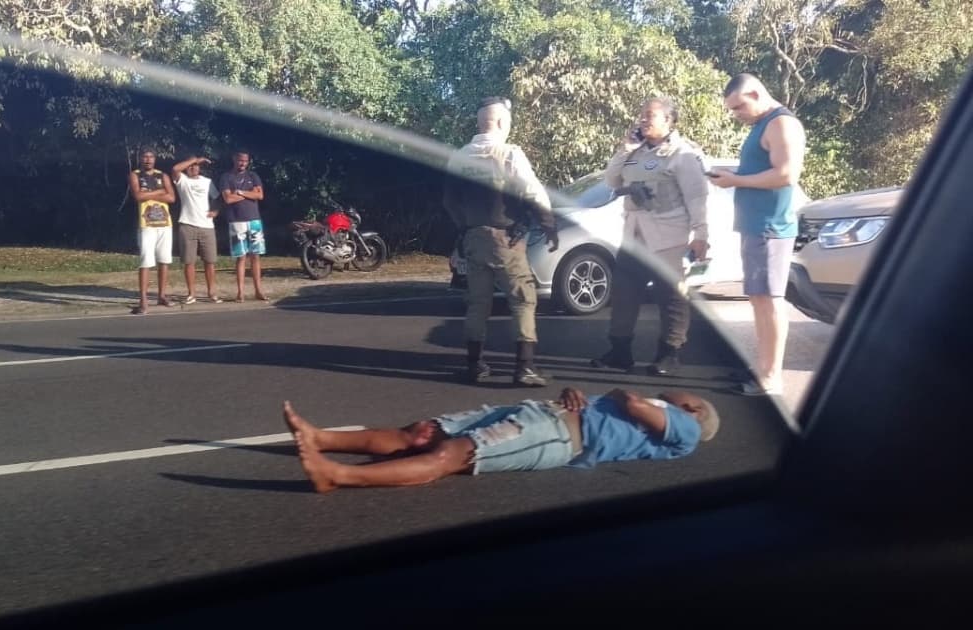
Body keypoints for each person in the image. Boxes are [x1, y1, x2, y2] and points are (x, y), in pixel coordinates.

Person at [281, 386, 719, 493]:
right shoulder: (666, 414)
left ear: (694, 409)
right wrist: (573, 393)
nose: (678, 393)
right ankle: (320, 438)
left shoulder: (689, 429)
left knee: (448, 455)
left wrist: (626, 396)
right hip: (543, 412)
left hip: (554, 436)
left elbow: (634, 405)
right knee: (420, 433)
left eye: (688, 397)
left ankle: (335, 476)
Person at [443, 96, 559, 387]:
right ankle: (525, 368)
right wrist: (548, 225)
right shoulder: (509, 154)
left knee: (478, 303)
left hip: (473, 238)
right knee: (522, 299)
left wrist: (464, 228)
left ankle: (475, 365)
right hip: (505, 239)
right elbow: (533, 192)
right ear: (500, 123)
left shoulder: (459, 156)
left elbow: (450, 201)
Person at [593, 97, 711, 376]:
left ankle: (669, 354)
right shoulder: (636, 151)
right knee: (624, 294)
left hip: (668, 236)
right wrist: (626, 148)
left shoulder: (683, 154)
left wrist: (701, 234)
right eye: (642, 115)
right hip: (635, 235)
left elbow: (698, 197)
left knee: (670, 296)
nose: (643, 120)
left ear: (669, 121)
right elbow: (611, 181)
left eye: (651, 115)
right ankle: (619, 352)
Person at [707, 74, 806, 396]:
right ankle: (762, 369)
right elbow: (761, 172)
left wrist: (736, 181)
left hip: (770, 227)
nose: (736, 113)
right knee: (759, 300)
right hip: (755, 227)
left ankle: (771, 378)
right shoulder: (762, 125)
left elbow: (786, 174)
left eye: (738, 106)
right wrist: (732, 175)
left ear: (755, 92)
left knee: (770, 302)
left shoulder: (781, 124)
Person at [128, 148, 177, 315]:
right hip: (146, 224)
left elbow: (172, 198)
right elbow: (138, 196)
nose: (148, 160)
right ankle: (143, 300)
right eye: (145, 157)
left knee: (164, 261)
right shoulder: (135, 175)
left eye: (151, 157)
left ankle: (161, 295)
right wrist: (159, 192)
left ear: (155, 159)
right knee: (146, 261)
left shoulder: (162, 175)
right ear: (140, 158)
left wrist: (149, 194)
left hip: (164, 223)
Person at [171, 155, 223, 304]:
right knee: (189, 262)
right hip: (187, 224)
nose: (193, 168)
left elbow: (218, 198)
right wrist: (195, 159)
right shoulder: (183, 181)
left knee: (210, 261)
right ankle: (191, 294)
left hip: (207, 226)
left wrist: (216, 211)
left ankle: (212, 292)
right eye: (191, 166)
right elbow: (175, 169)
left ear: (200, 168)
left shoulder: (207, 182)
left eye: (196, 166)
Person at [219, 150, 268, 302]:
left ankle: (258, 290)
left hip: (254, 220)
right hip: (236, 221)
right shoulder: (226, 177)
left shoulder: (253, 176)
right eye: (240, 160)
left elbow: (259, 195)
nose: (243, 163)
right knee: (241, 258)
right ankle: (240, 292)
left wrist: (239, 192)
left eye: (245, 161)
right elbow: (227, 199)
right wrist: (248, 193)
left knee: (256, 257)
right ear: (234, 159)